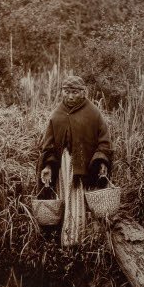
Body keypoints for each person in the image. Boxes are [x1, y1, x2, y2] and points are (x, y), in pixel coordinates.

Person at [39, 75, 113, 246]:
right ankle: (63, 239)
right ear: (62, 92)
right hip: (63, 167)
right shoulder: (57, 114)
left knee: (83, 200)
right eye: (67, 92)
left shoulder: (93, 113)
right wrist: (48, 166)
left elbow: (104, 141)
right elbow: (48, 145)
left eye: (74, 92)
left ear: (83, 92)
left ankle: (82, 240)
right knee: (65, 199)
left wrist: (102, 161)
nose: (70, 96)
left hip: (86, 167)